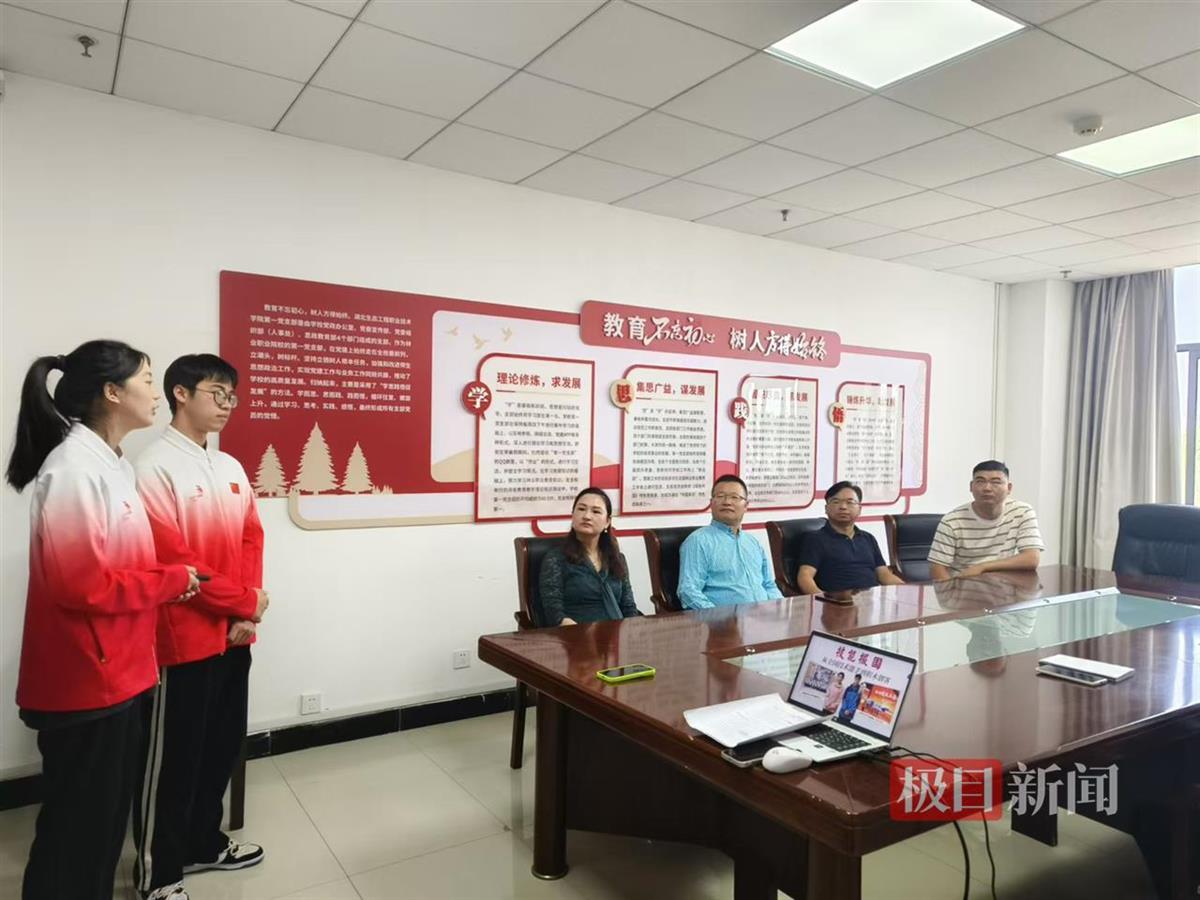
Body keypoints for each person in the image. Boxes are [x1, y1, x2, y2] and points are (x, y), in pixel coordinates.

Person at [5, 341, 198, 900]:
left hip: (122, 672)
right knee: (77, 832)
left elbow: (125, 565)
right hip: (87, 681)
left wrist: (173, 575)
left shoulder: (113, 465)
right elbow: (82, 585)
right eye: (147, 379)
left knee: (104, 825)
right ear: (112, 392)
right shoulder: (72, 469)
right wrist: (170, 581)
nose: (156, 393)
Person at [132, 354, 268, 900]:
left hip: (235, 632)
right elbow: (172, 560)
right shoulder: (153, 467)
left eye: (232, 395)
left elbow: (252, 539)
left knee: (220, 746)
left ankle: (203, 843)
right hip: (182, 637)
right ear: (181, 394)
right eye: (217, 393)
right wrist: (244, 602)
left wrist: (244, 613)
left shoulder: (229, 467)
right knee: (174, 759)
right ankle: (159, 874)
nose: (227, 405)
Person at [928, 460, 1044, 581]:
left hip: (1003, 587)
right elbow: (937, 569)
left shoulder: (1022, 512)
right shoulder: (952, 521)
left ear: (1009, 488)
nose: (987, 488)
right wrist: (951, 591)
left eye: (996, 482)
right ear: (971, 487)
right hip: (964, 586)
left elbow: (1031, 558)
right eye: (980, 481)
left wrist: (982, 567)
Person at [539, 487, 641, 625]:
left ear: (607, 522)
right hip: (577, 633)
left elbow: (629, 607)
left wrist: (632, 630)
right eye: (581, 509)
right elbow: (553, 612)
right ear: (572, 515)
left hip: (618, 632)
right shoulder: (556, 558)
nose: (587, 516)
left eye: (596, 511)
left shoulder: (617, 558)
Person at [678, 475, 782, 609]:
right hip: (723, 620)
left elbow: (769, 585)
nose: (727, 502)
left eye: (734, 497)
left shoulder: (753, 543)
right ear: (711, 503)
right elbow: (688, 591)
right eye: (720, 496)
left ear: (746, 505)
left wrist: (781, 610)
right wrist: (720, 616)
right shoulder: (698, 541)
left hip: (764, 616)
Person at [796, 482, 905, 596]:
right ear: (826, 508)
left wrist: (907, 591)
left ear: (859, 509)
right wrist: (823, 600)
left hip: (869, 601)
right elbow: (805, 577)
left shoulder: (868, 538)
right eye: (836, 501)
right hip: (838, 602)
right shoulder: (815, 539)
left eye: (850, 502)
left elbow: (884, 575)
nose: (843, 507)